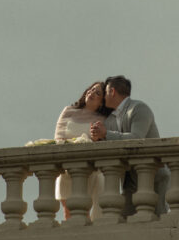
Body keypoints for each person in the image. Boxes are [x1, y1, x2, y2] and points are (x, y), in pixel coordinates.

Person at [89, 75, 170, 217]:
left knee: (157, 222)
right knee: (124, 222)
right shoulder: (110, 120)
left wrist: (105, 133)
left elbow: (136, 139)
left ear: (112, 91)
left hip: (154, 179)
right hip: (130, 182)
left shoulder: (139, 109)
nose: (104, 98)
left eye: (106, 92)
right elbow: (108, 140)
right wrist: (98, 138)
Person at [54, 81, 110, 220]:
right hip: (67, 169)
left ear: (102, 102)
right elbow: (58, 137)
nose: (91, 93)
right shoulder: (69, 111)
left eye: (97, 93)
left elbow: (103, 141)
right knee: (69, 213)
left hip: (89, 170)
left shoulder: (103, 119)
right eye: (91, 90)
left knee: (84, 211)